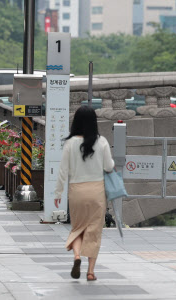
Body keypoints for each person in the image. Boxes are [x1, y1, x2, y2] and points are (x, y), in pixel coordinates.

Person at [54, 106, 114, 281]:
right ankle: (90, 272)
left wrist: (58, 194)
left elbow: (62, 171)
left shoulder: (70, 143)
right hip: (96, 191)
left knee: (78, 228)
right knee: (94, 231)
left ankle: (77, 256)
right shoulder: (101, 141)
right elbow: (109, 167)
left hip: (76, 191)